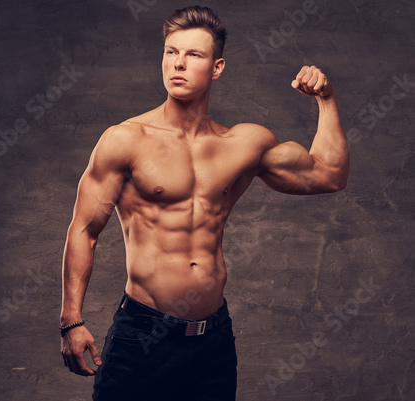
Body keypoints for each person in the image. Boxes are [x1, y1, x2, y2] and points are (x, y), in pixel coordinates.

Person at [59, 5, 349, 401]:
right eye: (170, 52)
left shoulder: (245, 144)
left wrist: (327, 99)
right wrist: (70, 321)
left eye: (193, 55)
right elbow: (84, 230)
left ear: (216, 67)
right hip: (142, 335)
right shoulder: (126, 140)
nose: (177, 64)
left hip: (212, 340)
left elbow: (329, 175)